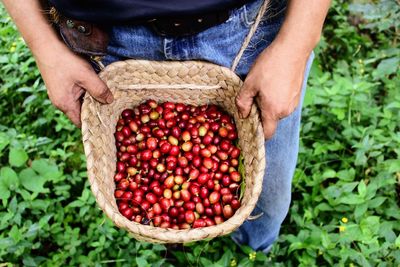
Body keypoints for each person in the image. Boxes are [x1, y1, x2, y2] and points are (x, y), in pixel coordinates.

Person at [3, 0, 331, 253]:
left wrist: (297, 43)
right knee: (169, 178)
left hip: (244, 30)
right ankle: (177, 237)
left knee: (270, 196)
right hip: (102, 38)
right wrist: (42, 44)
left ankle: (254, 249)